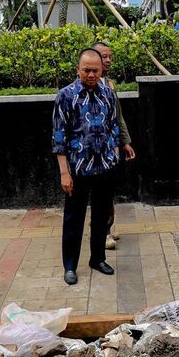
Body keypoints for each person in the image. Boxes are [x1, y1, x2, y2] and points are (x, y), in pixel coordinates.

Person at [52, 47, 120, 286]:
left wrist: (116, 153)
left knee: (102, 217)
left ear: (102, 70)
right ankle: (70, 266)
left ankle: (97, 259)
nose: (91, 75)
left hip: (105, 167)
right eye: (87, 70)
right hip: (77, 169)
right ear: (77, 70)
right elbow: (58, 137)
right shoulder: (66, 96)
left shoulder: (108, 93)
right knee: (74, 219)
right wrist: (64, 173)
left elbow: (113, 125)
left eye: (96, 71)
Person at [91, 41, 136, 250]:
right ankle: (102, 230)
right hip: (90, 150)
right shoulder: (85, 84)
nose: (107, 60)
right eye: (103, 56)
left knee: (108, 189)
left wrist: (124, 141)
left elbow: (117, 115)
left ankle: (105, 227)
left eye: (110, 56)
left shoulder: (110, 84)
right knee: (99, 191)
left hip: (110, 147)